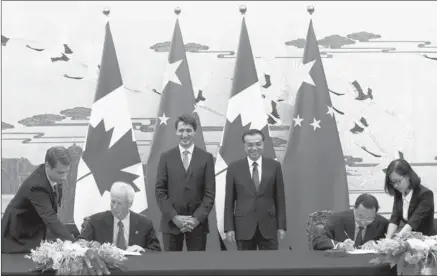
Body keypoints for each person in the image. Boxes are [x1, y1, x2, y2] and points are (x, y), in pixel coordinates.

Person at [1, 146, 109, 275]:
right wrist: (75, 245)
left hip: (34, 231)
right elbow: (50, 217)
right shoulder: (37, 186)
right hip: (17, 238)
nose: (64, 177)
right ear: (47, 165)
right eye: (60, 172)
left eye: (66, 172)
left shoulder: (53, 176)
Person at [155, 114, 215, 251]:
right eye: (181, 130)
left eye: (188, 130)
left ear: (194, 132)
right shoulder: (166, 157)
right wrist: (174, 217)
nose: (185, 134)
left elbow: (209, 193)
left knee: (196, 268)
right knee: (171, 267)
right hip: (171, 223)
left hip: (197, 225)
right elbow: (160, 190)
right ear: (176, 132)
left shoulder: (206, 158)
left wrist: (196, 219)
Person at [224, 129, 286, 250]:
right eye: (250, 145)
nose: (254, 148)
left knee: (270, 265)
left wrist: (281, 226)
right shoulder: (234, 168)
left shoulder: (274, 166)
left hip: (268, 226)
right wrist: (229, 228)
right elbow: (229, 201)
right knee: (245, 266)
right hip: (243, 227)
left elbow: (280, 199)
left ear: (263, 144)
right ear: (244, 146)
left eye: (258, 144)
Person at [80, 182, 161, 252]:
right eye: (113, 202)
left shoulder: (145, 224)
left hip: (135, 266)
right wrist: (92, 246)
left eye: (119, 203)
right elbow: (80, 244)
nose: (114, 207)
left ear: (130, 203)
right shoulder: (95, 221)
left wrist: (142, 250)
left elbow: (156, 251)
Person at [313, 193, 389, 251]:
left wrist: (375, 243)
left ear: (375, 214)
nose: (363, 222)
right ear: (354, 209)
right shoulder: (337, 219)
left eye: (369, 219)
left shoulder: (382, 222)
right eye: (360, 216)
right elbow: (318, 241)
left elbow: (394, 242)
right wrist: (340, 245)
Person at [384, 159, 435, 238]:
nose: (395, 186)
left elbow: (414, 221)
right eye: (392, 182)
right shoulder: (399, 193)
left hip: (425, 240)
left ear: (408, 176)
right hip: (408, 238)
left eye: (398, 181)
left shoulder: (426, 194)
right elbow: (395, 217)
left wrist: (398, 238)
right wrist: (387, 238)